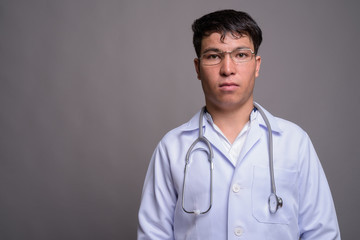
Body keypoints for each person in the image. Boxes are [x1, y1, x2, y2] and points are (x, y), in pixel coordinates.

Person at [137, 9, 340, 239]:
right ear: (197, 68)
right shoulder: (172, 148)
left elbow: (322, 233)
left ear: (257, 65)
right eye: (214, 56)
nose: (227, 69)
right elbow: (154, 235)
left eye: (241, 55)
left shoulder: (295, 143)